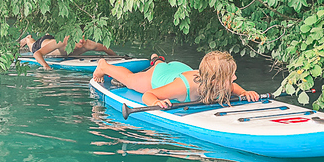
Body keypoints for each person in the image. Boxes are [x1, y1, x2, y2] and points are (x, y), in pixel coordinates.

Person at [92, 51, 259, 107]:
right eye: (230, 76)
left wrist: (245, 92)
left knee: (157, 65)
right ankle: (104, 66)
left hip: (182, 69)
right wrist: (155, 103)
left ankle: (157, 59)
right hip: (162, 76)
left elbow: (234, 88)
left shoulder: (218, 84)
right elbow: (148, 95)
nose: (235, 78)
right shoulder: (182, 88)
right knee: (130, 80)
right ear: (215, 80)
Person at [19, 34, 117, 71]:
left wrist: (116, 58)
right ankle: (28, 39)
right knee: (32, 46)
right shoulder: (62, 42)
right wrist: (46, 66)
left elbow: (105, 48)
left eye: (83, 38)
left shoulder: (88, 44)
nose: (81, 42)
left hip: (53, 41)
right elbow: (37, 54)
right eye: (78, 39)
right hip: (42, 44)